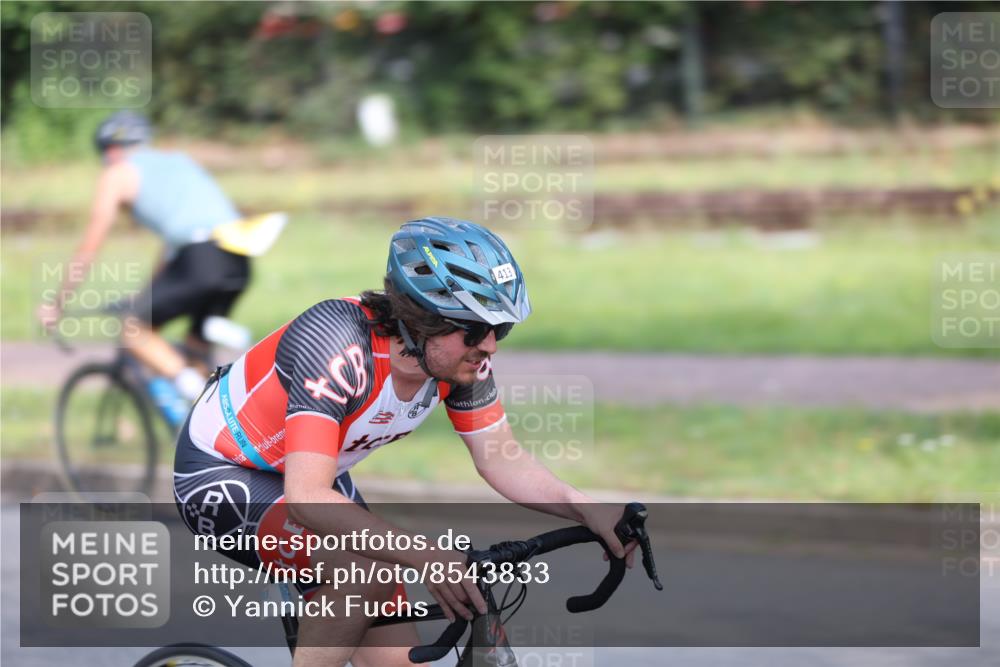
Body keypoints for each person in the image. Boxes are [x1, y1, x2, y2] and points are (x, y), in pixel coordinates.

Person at [173, 217, 637, 667]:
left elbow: (502, 459)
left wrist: (586, 508)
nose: (491, 346)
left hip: (318, 478)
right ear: (421, 320)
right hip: (225, 474)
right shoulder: (336, 343)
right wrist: (431, 557)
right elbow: (307, 498)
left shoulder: (459, 363)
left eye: (502, 330)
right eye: (475, 330)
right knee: (369, 571)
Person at [36, 111, 252, 409]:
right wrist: (145, 294)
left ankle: (192, 390)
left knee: (133, 331)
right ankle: (212, 426)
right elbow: (174, 244)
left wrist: (58, 303)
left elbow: (90, 245)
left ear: (111, 150)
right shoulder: (178, 161)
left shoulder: (117, 173)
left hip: (201, 257)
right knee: (195, 347)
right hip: (238, 259)